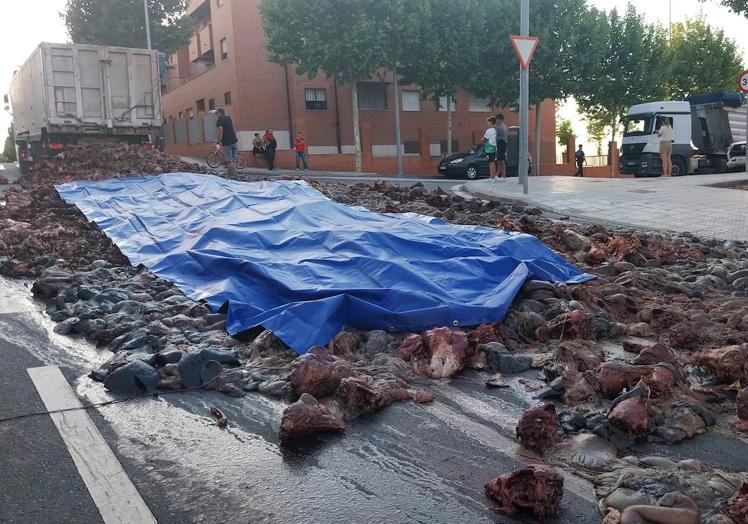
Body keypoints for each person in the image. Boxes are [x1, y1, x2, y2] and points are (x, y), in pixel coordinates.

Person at [215, 108, 238, 177]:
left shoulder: (219, 121)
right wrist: (234, 136)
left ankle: (232, 176)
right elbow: (233, 128)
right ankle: (234, 174)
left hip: (227, 142)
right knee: (233, 159)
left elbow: (220, 132)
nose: (216, 115)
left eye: (217, 113)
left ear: (219, 113)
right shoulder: (229, 118)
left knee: (229, 161)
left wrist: (218, 142)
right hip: (234, 140)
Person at [482, 116, 498, 181]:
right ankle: (493, 177)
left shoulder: (488, 130)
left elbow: (485, 139)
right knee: (493, 162)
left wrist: (482, 139)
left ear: (490, 122)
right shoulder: (495, 130)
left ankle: (492, 178)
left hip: (489, 148)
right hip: (494, 147)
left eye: (488, 122)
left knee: (491, 163)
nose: (487, 123)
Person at [494, 113, 509, 179]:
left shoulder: (499, 127)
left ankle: (503, 175)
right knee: (500, 160)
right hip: (504, 143)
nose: (496, 121)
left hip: (501, 143)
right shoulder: (505, 126)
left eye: (496, 119)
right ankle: (497, 174)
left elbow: (495, 136)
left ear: (500, 119)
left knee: (501, 160)